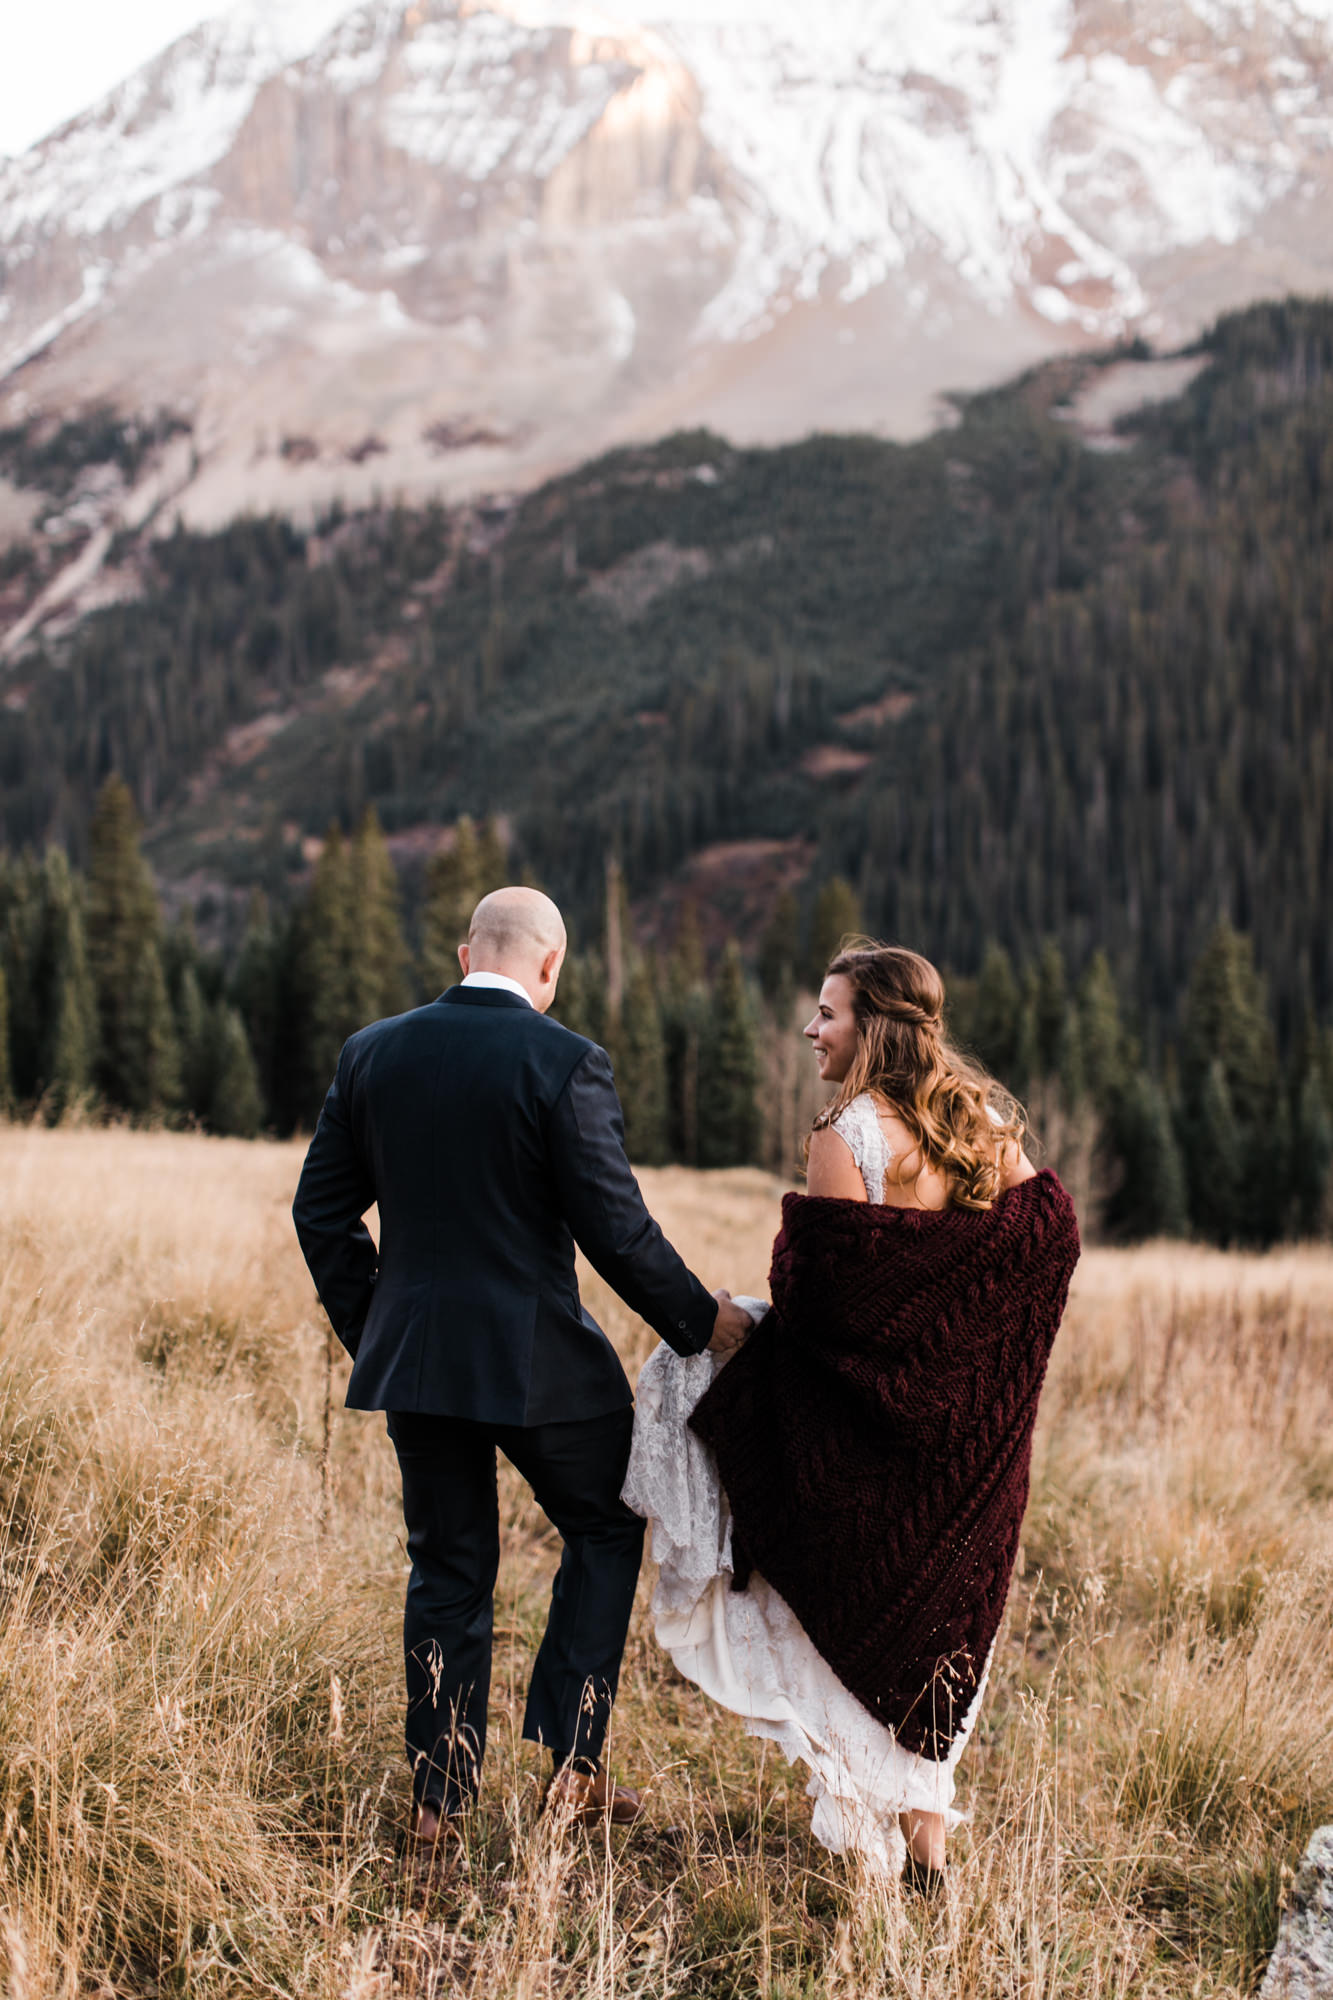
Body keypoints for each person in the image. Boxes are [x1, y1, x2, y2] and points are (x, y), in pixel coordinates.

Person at [292, 886, 753, 1869]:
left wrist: (378, 1328)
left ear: (467, 952)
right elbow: (615, 1229)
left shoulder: (373, 1051)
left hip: (414, 1363)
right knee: (602, 1522)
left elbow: (319, 1213)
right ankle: (571, 1764)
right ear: (550, 965)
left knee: (448, 1569)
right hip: (543, 1365)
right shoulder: (562, 1060)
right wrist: (704, 1325)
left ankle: (436, 1806)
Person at [623, 941, 1081, 1885]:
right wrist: (965, 1351)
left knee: (688, 1386)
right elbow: (1045, 1236)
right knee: (937, 1626)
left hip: (872, 1429)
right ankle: (926, 1844)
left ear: (870, 1024)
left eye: (826, 1013)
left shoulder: (848, 1130)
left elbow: (831, 1304)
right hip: (960, 1449)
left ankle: (875, 1845)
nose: (810, 1029)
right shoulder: (982, 1118)